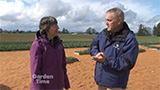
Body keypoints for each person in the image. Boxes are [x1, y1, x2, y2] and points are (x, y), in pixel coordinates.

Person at [89, 8, 139, 90]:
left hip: (116, 84)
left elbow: (127, 63)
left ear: (119, 21)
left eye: (109, 20)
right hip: (101, 81)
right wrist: (96, 54)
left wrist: (106, 60)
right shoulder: (104, 33)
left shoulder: (130, 39)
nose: (106, 23)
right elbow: (94, 44)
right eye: (106, 20)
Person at [30, 16, 70, 90]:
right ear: (46, 28)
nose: (58, 28)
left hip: (59, 86)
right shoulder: (38, 45)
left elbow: (63, 65)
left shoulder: (59, 44)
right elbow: (35, 71)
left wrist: (65, 82)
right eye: (55, 26)